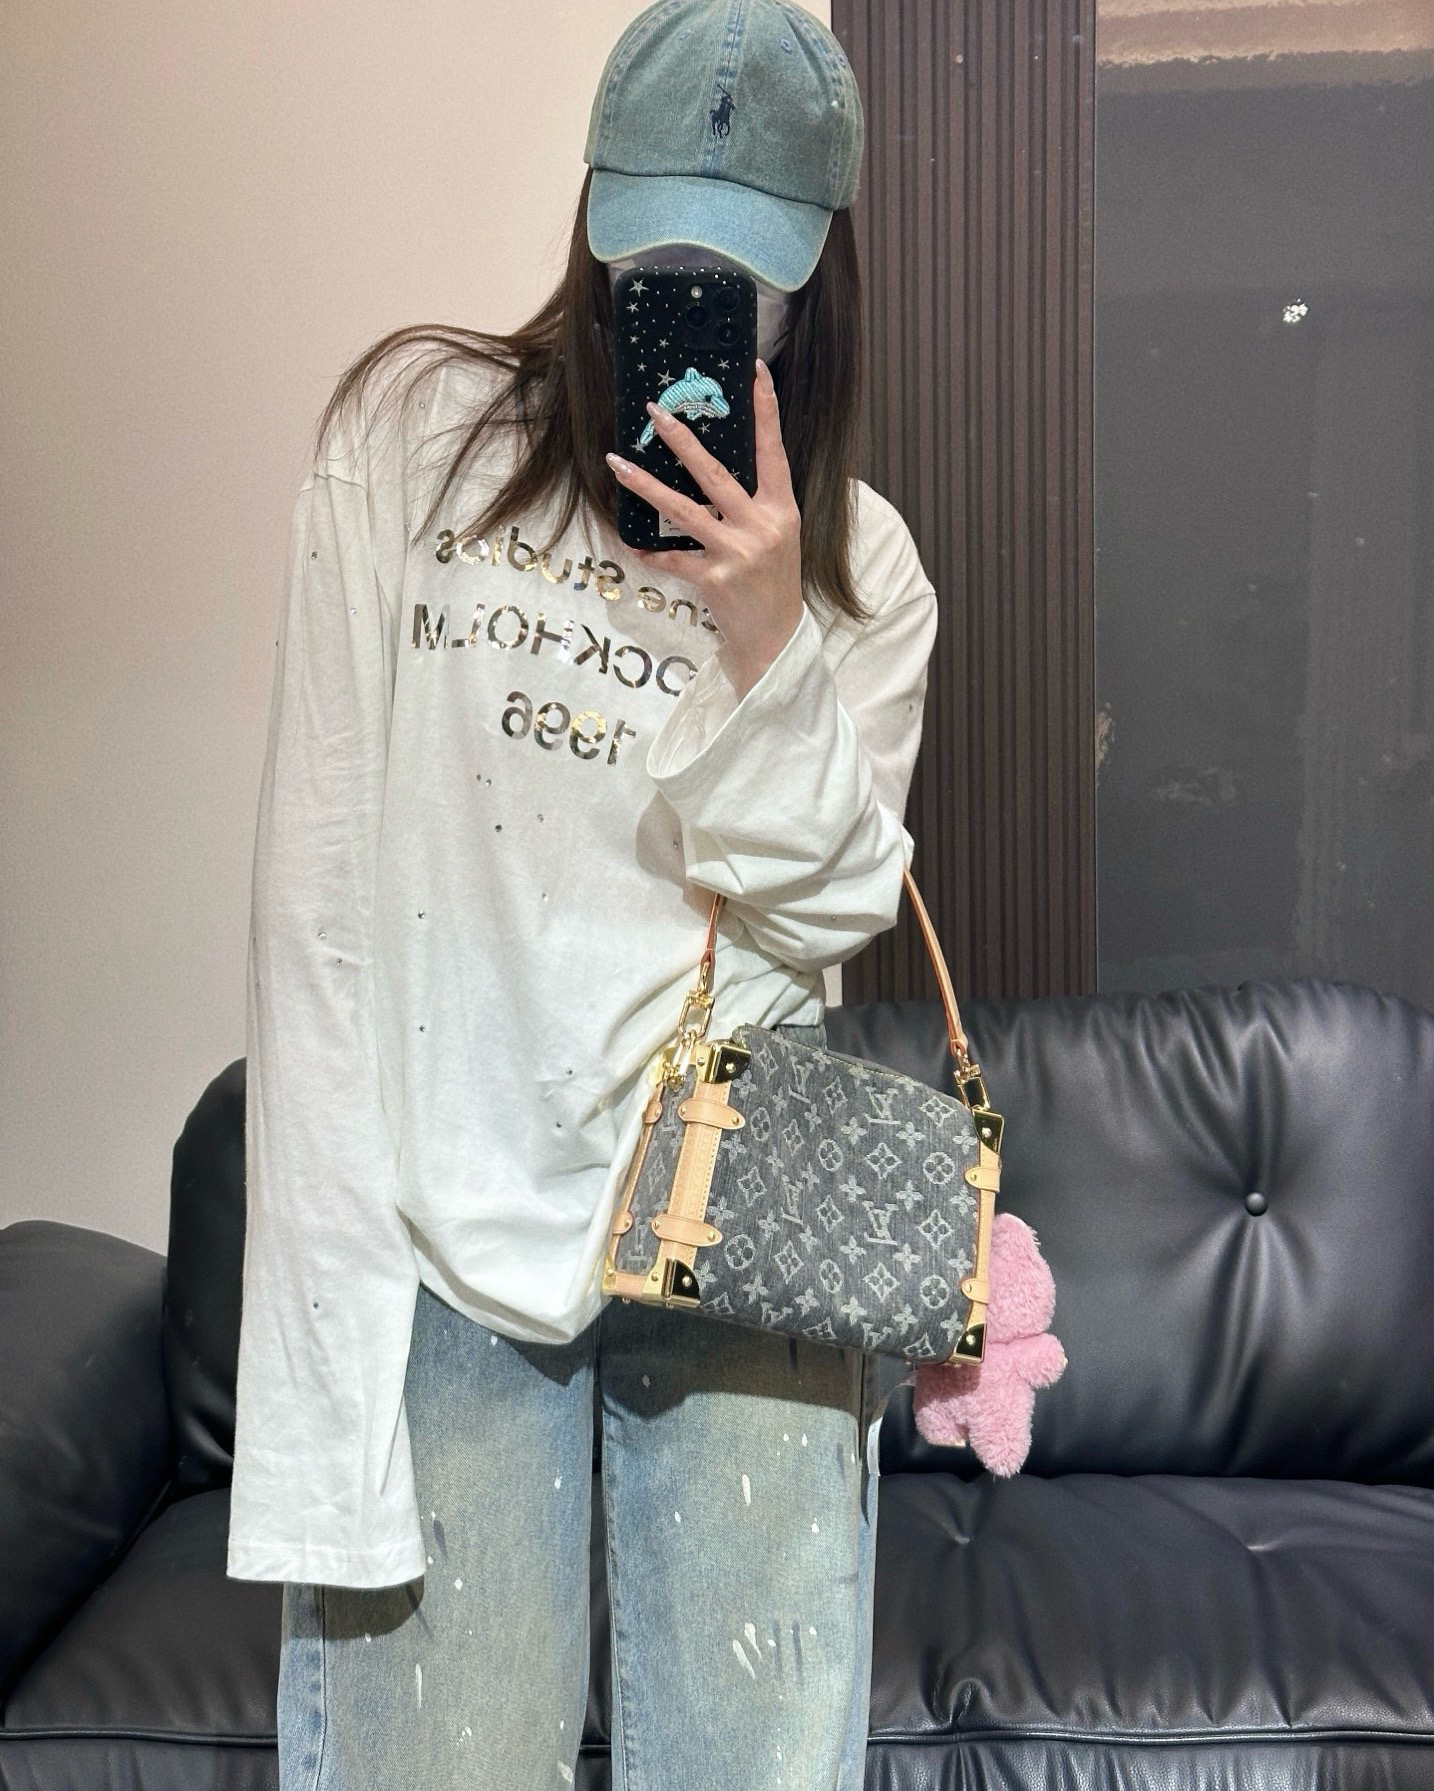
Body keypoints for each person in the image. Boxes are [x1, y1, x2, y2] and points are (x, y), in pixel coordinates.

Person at [226, 2, 940, 1786]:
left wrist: (766, 634)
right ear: (592, 223)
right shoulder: (418, 440)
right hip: (449, 1215)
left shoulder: (861, 569)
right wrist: (320, 1341)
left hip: (740, 1203)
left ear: (812, 282)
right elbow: (317, 894)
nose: (688, 304)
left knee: (752, 1764)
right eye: (655, 259)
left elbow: (830, 918)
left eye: (738, 279)